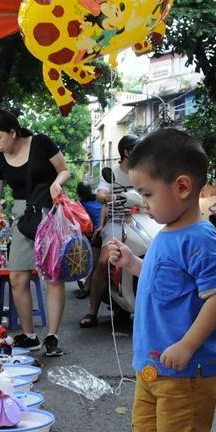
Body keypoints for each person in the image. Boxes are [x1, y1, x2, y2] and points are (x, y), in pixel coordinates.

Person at [107, 128, 216, 432]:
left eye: (146, 193)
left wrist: (188, 344)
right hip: (153, 363)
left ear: (181, 187)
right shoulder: (166, 232)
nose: (141, 201)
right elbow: (165, 280)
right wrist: (132, 263)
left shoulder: (199, 237)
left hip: (185, 368)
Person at [0, 111, 72, 357]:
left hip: (50, 210)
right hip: (23, 218)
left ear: (13, 132)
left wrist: (57, 183)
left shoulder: (41, 142)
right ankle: (30, 335)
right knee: (17, 278)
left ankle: (52, 337)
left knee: (53, 277)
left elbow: (64, 170)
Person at [81, 135, 138, 328]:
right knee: (105, 261)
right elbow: (100, 195)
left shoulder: (146, 171)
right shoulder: (112, 173)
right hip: (117, 221)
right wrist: (114, 196)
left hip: (144, 219)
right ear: (126, 152)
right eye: (136, 148)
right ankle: (92, 311)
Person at [74, 182, 102, 300]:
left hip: (97, 233)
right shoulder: (99, 200)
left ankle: (86, 288)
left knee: (93, 264)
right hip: (106, 229)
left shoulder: (81, 205)